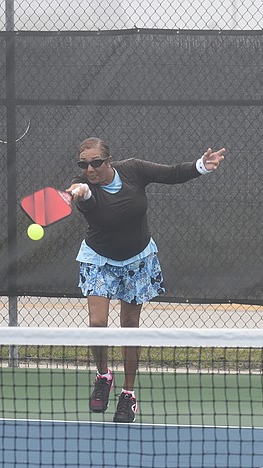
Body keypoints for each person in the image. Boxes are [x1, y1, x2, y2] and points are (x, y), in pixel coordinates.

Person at [65, 137, 226, 423]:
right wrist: (80, 193)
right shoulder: (83, 186)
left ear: (109, 160)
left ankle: (128, 395)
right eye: (84, 164)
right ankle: (103, 375)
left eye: (96, 163)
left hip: (137, 260)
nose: (90, 169)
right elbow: (90, 203)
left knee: (129, 328)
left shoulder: (134, 170)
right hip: (98, 259)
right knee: (97, 324)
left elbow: (173, 173)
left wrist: (202, 165)